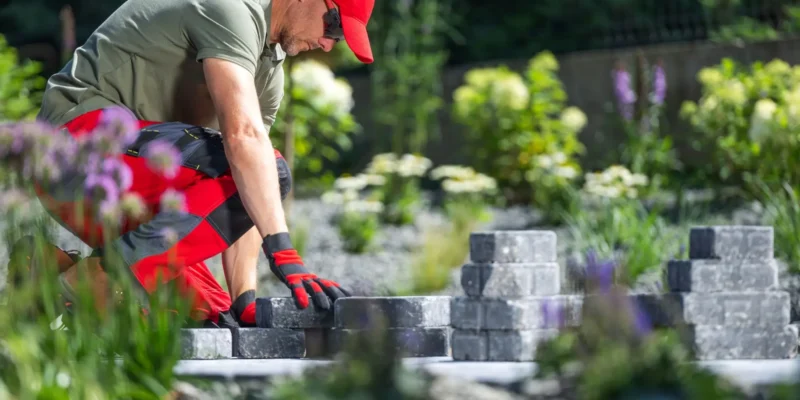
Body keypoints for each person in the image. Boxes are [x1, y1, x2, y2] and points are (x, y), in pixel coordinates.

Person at [16, 0, 375, 328]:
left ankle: (47, 273)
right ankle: (92, 281)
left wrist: (244, 301)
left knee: (211, 318)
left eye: (339, 38)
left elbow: (251, 182)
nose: (329, 44)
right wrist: (283, 250)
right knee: (269, 165)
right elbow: (244, 142)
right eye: (333, 26)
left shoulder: (267, 71)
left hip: (133, 185)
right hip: (73, 151)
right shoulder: (233, 8)